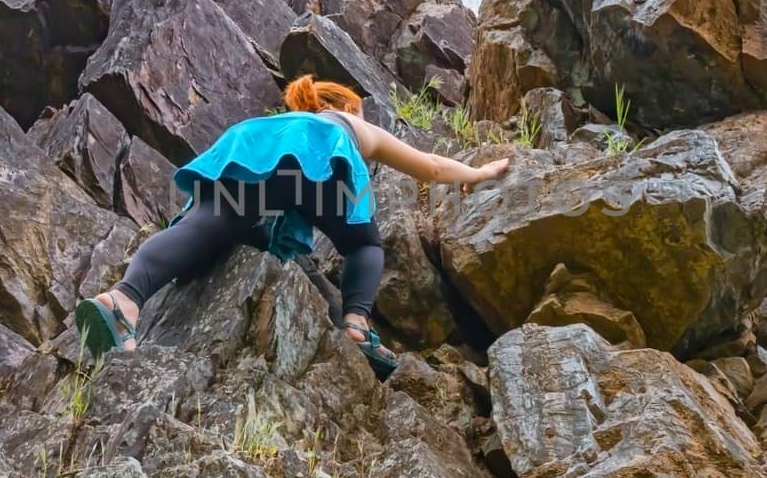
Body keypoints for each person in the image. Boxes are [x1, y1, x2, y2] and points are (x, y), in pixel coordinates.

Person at [73, 75, 510, 375]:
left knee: (212, 223)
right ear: (348, 106)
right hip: (315, 157)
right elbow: (430, 167)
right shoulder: (349, 123)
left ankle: (123, 300)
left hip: (251, 146)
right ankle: (357, 327)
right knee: (364, 244)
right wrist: (479, 174)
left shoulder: (282, 121)